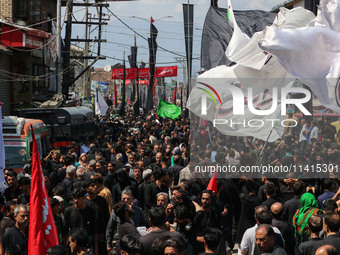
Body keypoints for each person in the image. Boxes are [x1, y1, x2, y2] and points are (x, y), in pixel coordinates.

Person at [64, 188, 98, 255]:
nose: (76, 200)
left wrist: (96, 248)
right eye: (74, 198)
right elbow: (65, 231)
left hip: (87, 246)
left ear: (83, 198)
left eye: (78, 198)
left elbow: (94, 231)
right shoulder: (68, 211)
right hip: (73, 246)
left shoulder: (90, 211)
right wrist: (65, 247)